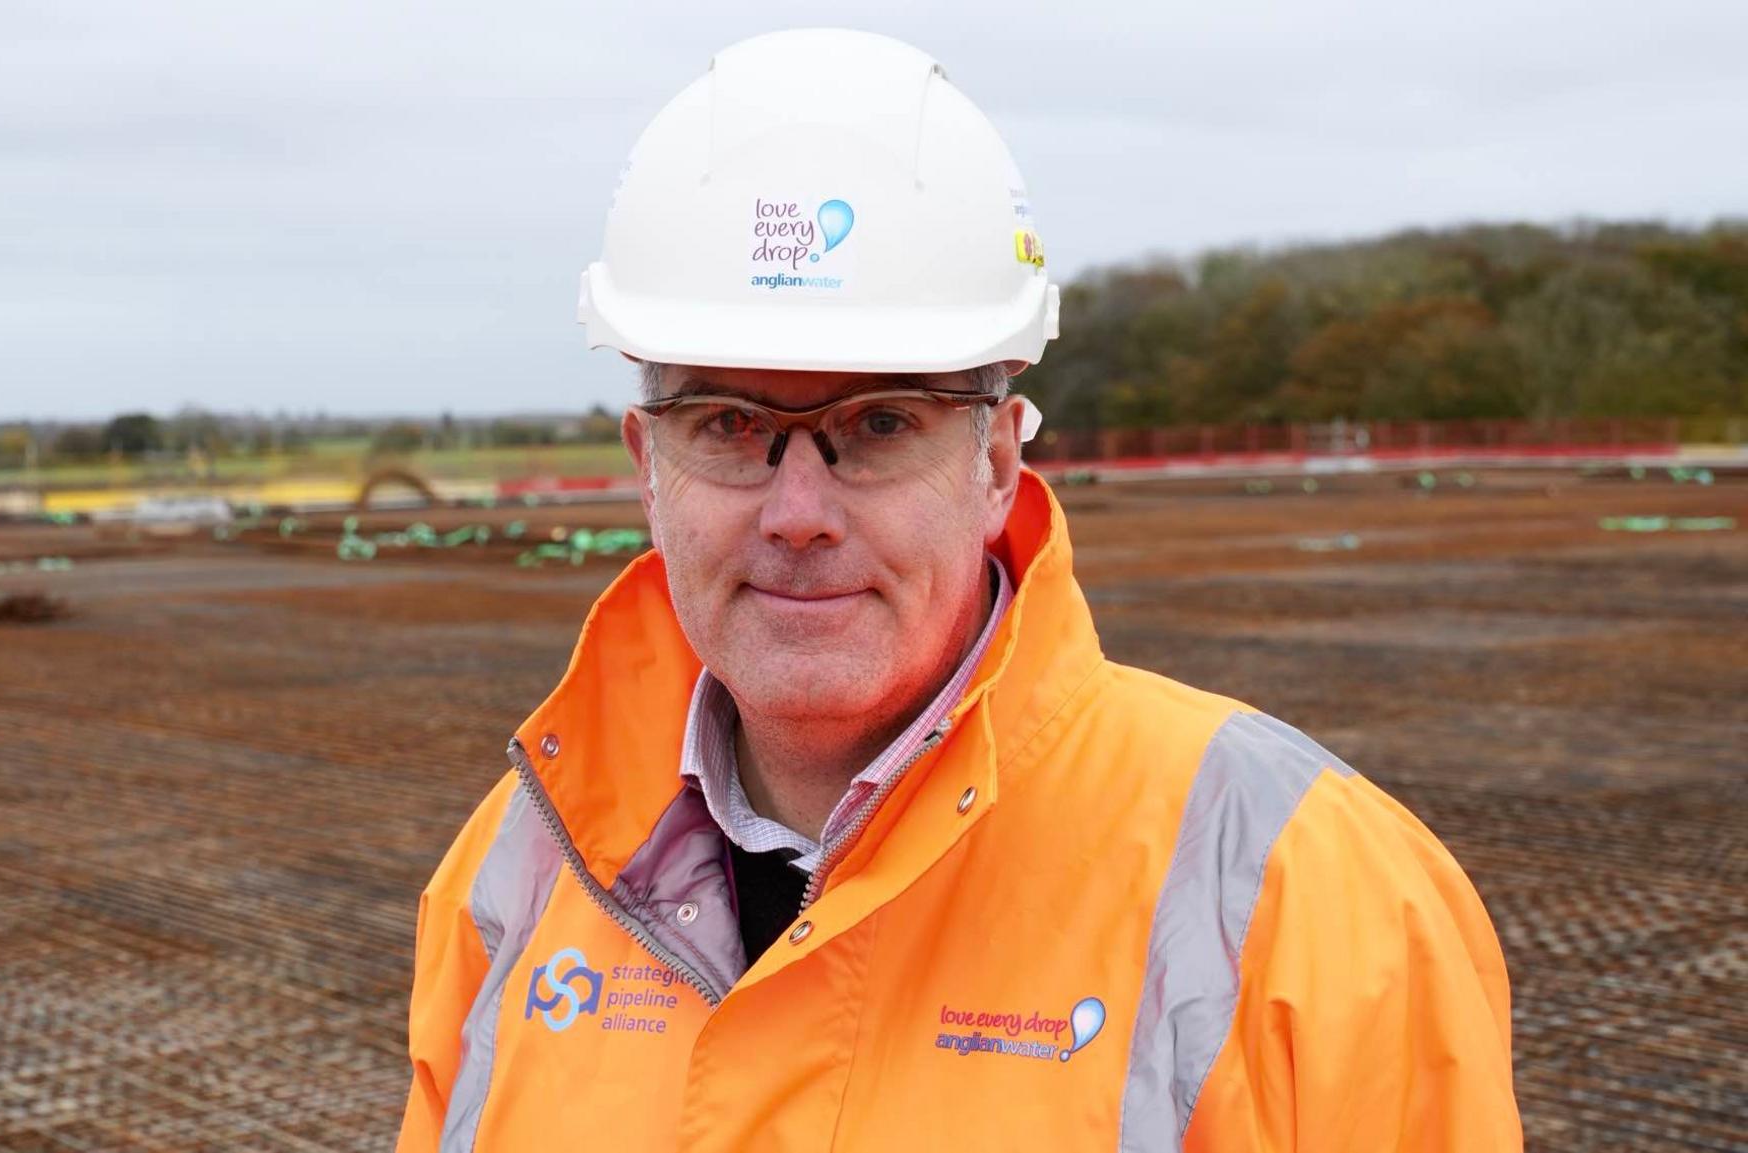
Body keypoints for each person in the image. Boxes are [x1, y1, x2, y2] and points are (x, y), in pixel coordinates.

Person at [397, 28, 1522, 1152]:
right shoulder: (518, 875)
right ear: (649, 469)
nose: (797, 513)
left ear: (995, 466)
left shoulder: (1306, 898)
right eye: (730, 426)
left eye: (878, 423)